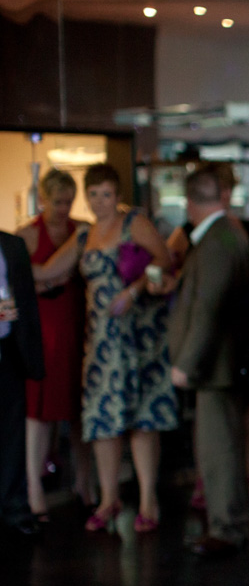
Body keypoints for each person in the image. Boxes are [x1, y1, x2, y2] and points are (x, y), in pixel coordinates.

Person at [35, 163, 177, 534]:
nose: (99, 202)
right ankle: (108, 498)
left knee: (143, 419)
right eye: (93, 194)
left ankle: (148, 500)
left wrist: (134, 291)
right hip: (100, 342)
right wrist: (10, 255)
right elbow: (49, 270)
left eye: (106, 194)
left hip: (139, 334)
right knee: (102, 422)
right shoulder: (84, 235)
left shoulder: (135, 224)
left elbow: (164, 260)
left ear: (118, 195)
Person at [168, 168, 249, 558]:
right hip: (220, 365)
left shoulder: (216, 240)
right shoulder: (226, 233)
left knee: (218, 451)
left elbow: (208, 308)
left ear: (189, 203)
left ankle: (226, 528)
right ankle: (227, 524)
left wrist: (186, 361)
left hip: (215, 366)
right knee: (222, 447)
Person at [19, 169, 93, 520]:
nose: (63, 209)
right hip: (46, 331)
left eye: (68, 201)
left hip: (79, 323)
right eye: (57, 201)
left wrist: (49, 278)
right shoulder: (28, 235)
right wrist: (49, 279)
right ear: (44, 199)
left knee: (80, 409)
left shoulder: (82, 231)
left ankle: (85, 480)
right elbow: (18, 284)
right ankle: (33, 488)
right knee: (40, 411)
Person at [0, 228, 44, 540]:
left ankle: (15, 510)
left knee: (13, 434)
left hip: (10, 351)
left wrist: (33, 356)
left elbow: (27, 302)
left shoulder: (12, 245)